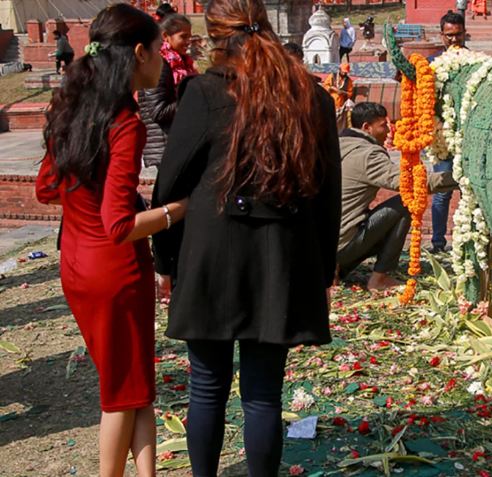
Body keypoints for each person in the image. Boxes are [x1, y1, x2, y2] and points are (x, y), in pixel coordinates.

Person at [151, 0, 341, 475]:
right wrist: (322, 268)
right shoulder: (310, 94)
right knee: (262, 395)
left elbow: (170, 182)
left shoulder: (205, 91)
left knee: (208, 386)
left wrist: (164, 261)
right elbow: (327, 192)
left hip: (212, 249)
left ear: (215, 35)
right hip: (281, 254)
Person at [35, 5, 189, 476]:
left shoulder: (71, 108)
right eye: (160, 51)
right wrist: (180, 208)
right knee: (120, 396)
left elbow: (45, 188)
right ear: (139, 53)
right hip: (115, 270)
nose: (164, 62)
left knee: (137, 385)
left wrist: (94, 189)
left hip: (77, 263)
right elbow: (119, 225)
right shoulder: (124, 123)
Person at [338, 102, 456, 289]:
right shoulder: (368, 155)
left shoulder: (335, 145)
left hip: (320, 252)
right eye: (383, 125)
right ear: (366, 128)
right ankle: (379, 279)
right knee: (407, 201)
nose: (388, 131)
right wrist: (461, 177)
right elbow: (415, 183)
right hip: (341, 247)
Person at [138, 14, 197, 168]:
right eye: (183, 37)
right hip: (164, 146)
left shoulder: (182, 62)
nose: (188, 42)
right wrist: (191, 102)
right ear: (166, 36)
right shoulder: (158, 65)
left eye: (189, 37)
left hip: (175, 143)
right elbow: (158, 111)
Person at [430, 11, 466, 254]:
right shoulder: (432, 63)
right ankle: (438, 243)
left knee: (469, 194)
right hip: (442, 139)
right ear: (441, 35)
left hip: (468, 138)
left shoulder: (476, 62)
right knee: (442, 193)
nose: (454, 40)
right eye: (449, 35)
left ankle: (467, 242)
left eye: (458, 35)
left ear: (464, 33)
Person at [325, 63, 354, 131]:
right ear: (340, 70)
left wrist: (342, 92)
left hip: (341, 106)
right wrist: (333, 88)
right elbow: (325, 86)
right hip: (330, 104)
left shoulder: (348, 80)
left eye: (345, 72)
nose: (344, 74)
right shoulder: (332, 76)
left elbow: (350, 93)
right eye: (343, 72)